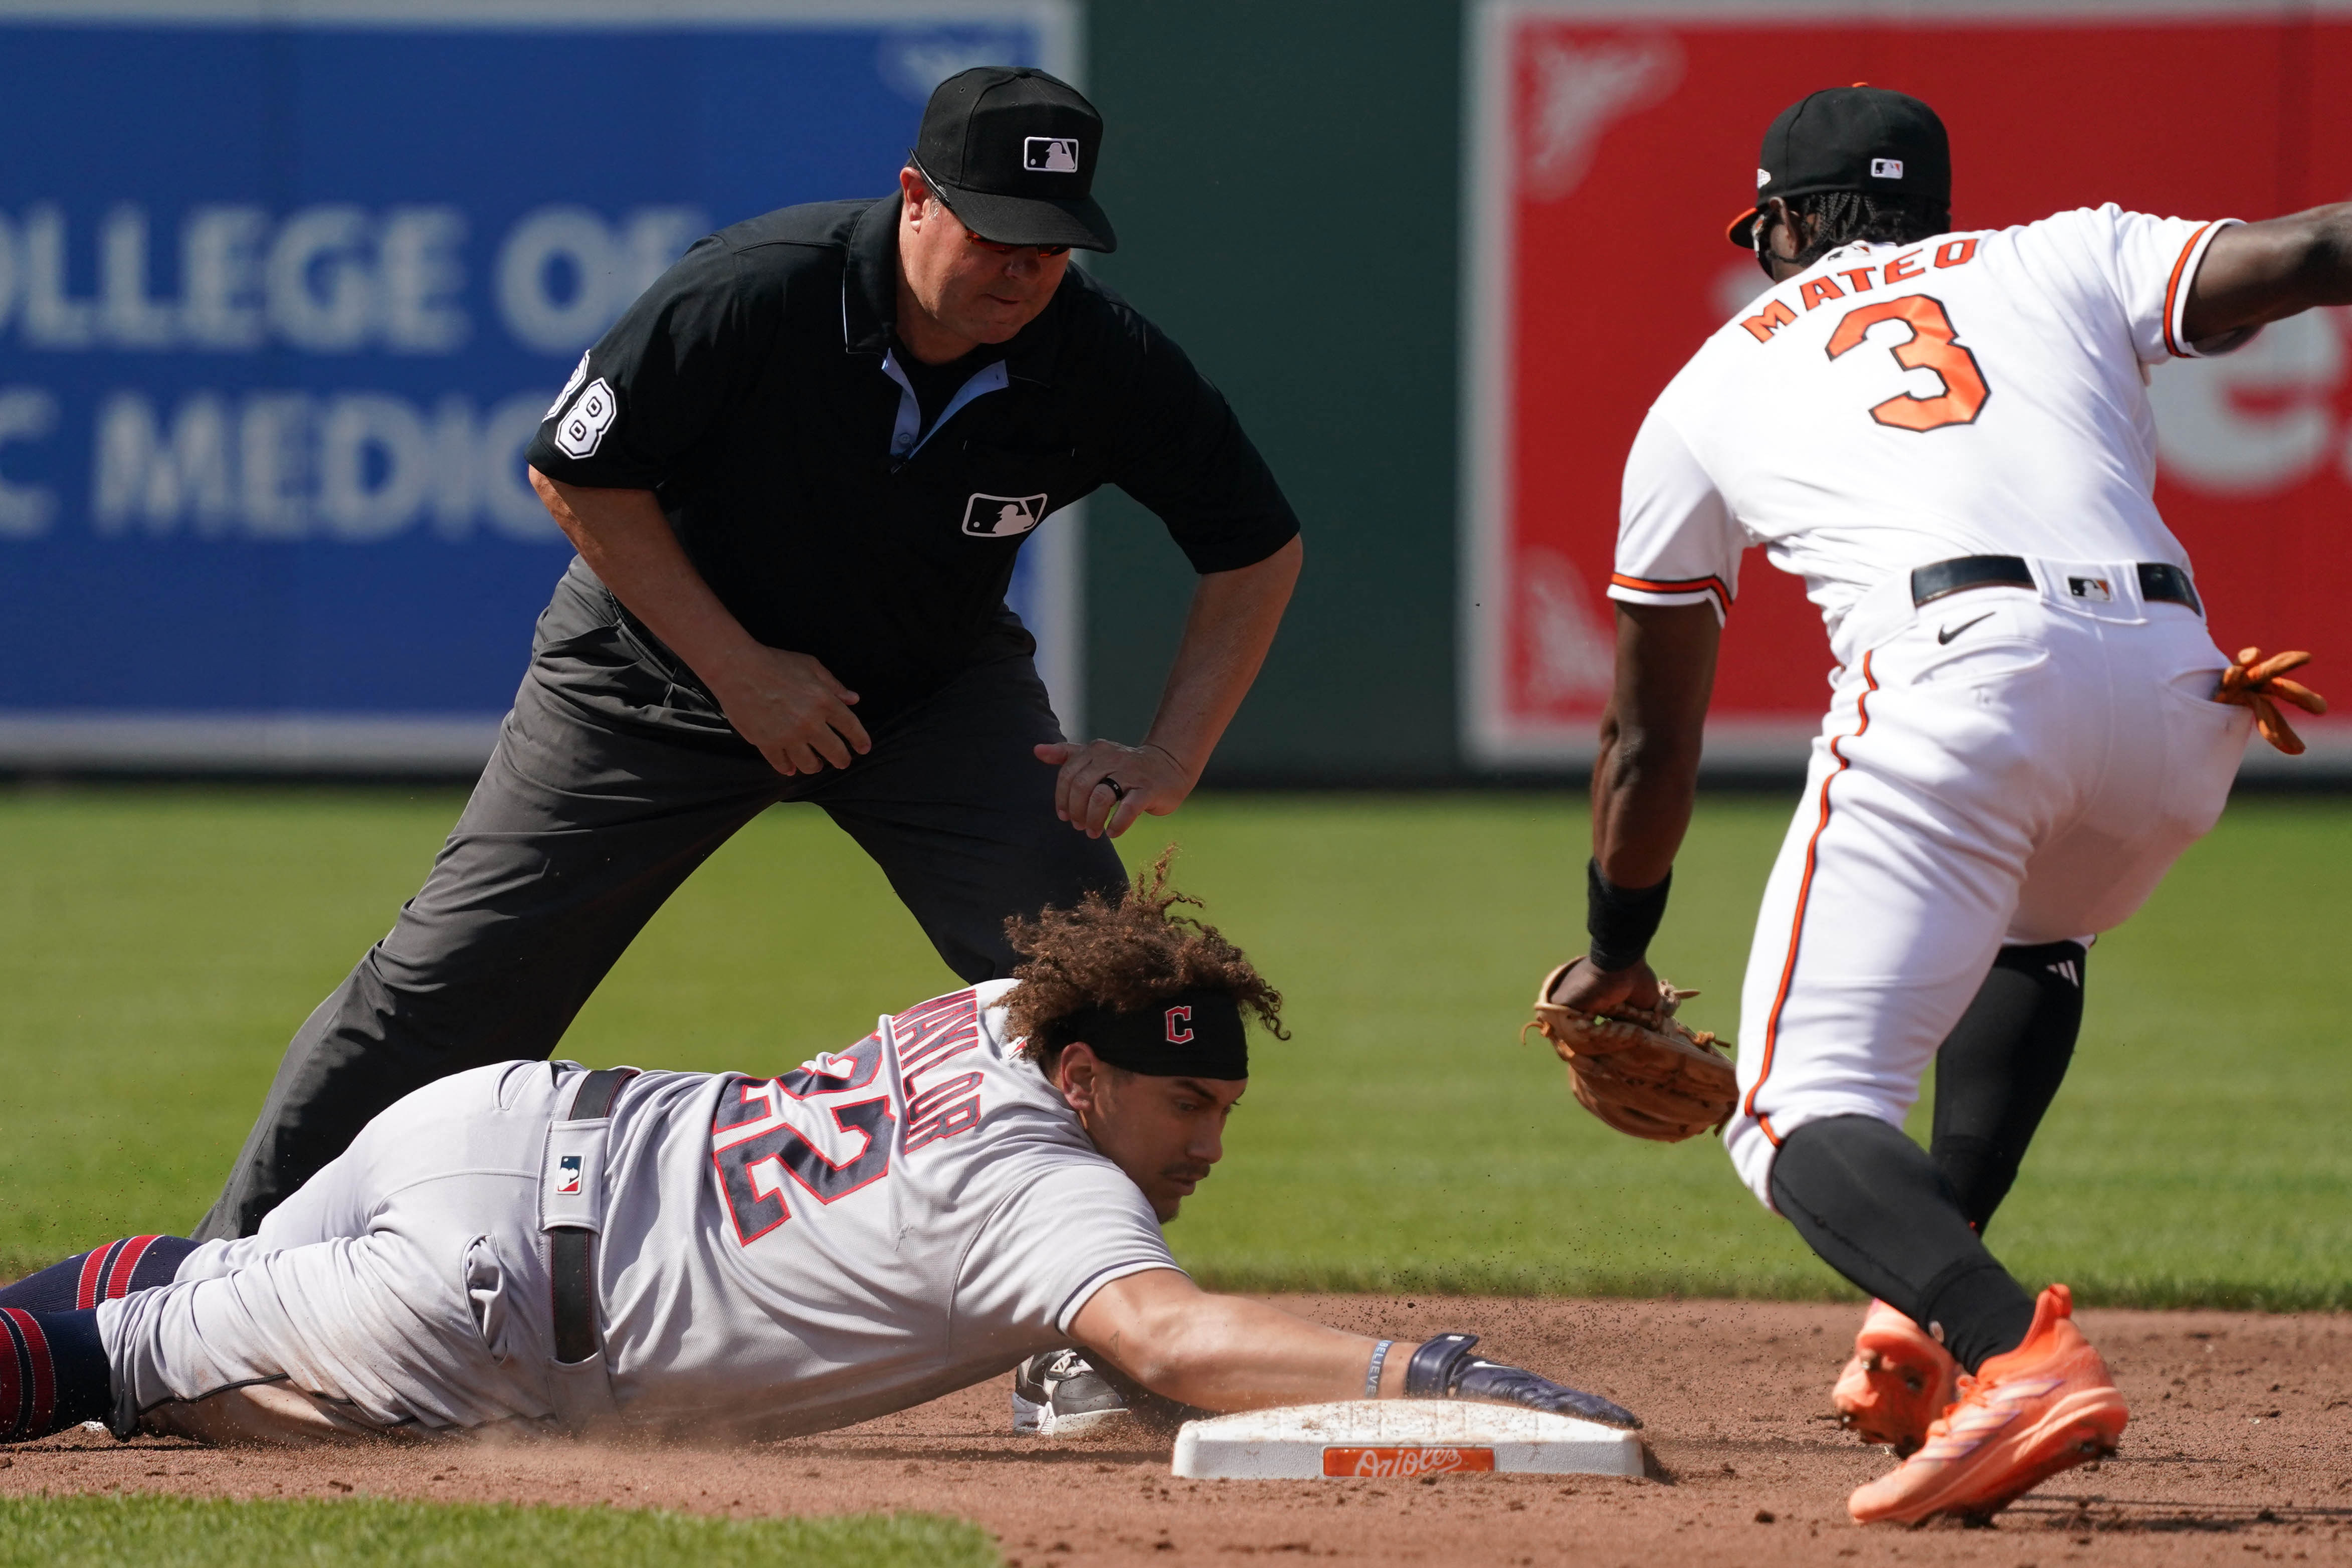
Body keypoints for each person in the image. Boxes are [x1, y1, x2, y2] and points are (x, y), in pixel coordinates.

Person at [192, 64, 1303, 1280]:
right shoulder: (762, 289)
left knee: (1106, 991)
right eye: (995, 234)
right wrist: (740, 672)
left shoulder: (1096, 357)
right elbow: (574, 469)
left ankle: (1094, 1315)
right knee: (449, 989)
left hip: (931, 691)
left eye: (1050, 248)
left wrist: (1174, 751)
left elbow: (1254, 545)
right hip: (651, 677)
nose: (1020, 272)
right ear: (915, 199)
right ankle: (208, 1295)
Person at [1541, 84, 2338, 1525]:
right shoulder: (2059, 253)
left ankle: (2004, 1355)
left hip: (1963, 676)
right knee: (2034, 937)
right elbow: (2304, 254)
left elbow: (1646, 742)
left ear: (1780, 222)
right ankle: (1911, 1337)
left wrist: (1615, 943)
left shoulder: (1711, 379)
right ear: (1930, 208)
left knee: (1786, 1112)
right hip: (2184, 692)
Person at [0, 863, 1635, 1448]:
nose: (1205, 1141)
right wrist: (1423, 1370)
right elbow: (1167, 1331)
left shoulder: (1003, 1009)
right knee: (111, 1367)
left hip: (493, 1120)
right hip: (488, 1298)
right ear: (1081, 1072)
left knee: (184, 1296)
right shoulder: (1046, 1185)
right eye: (1184, 1106)